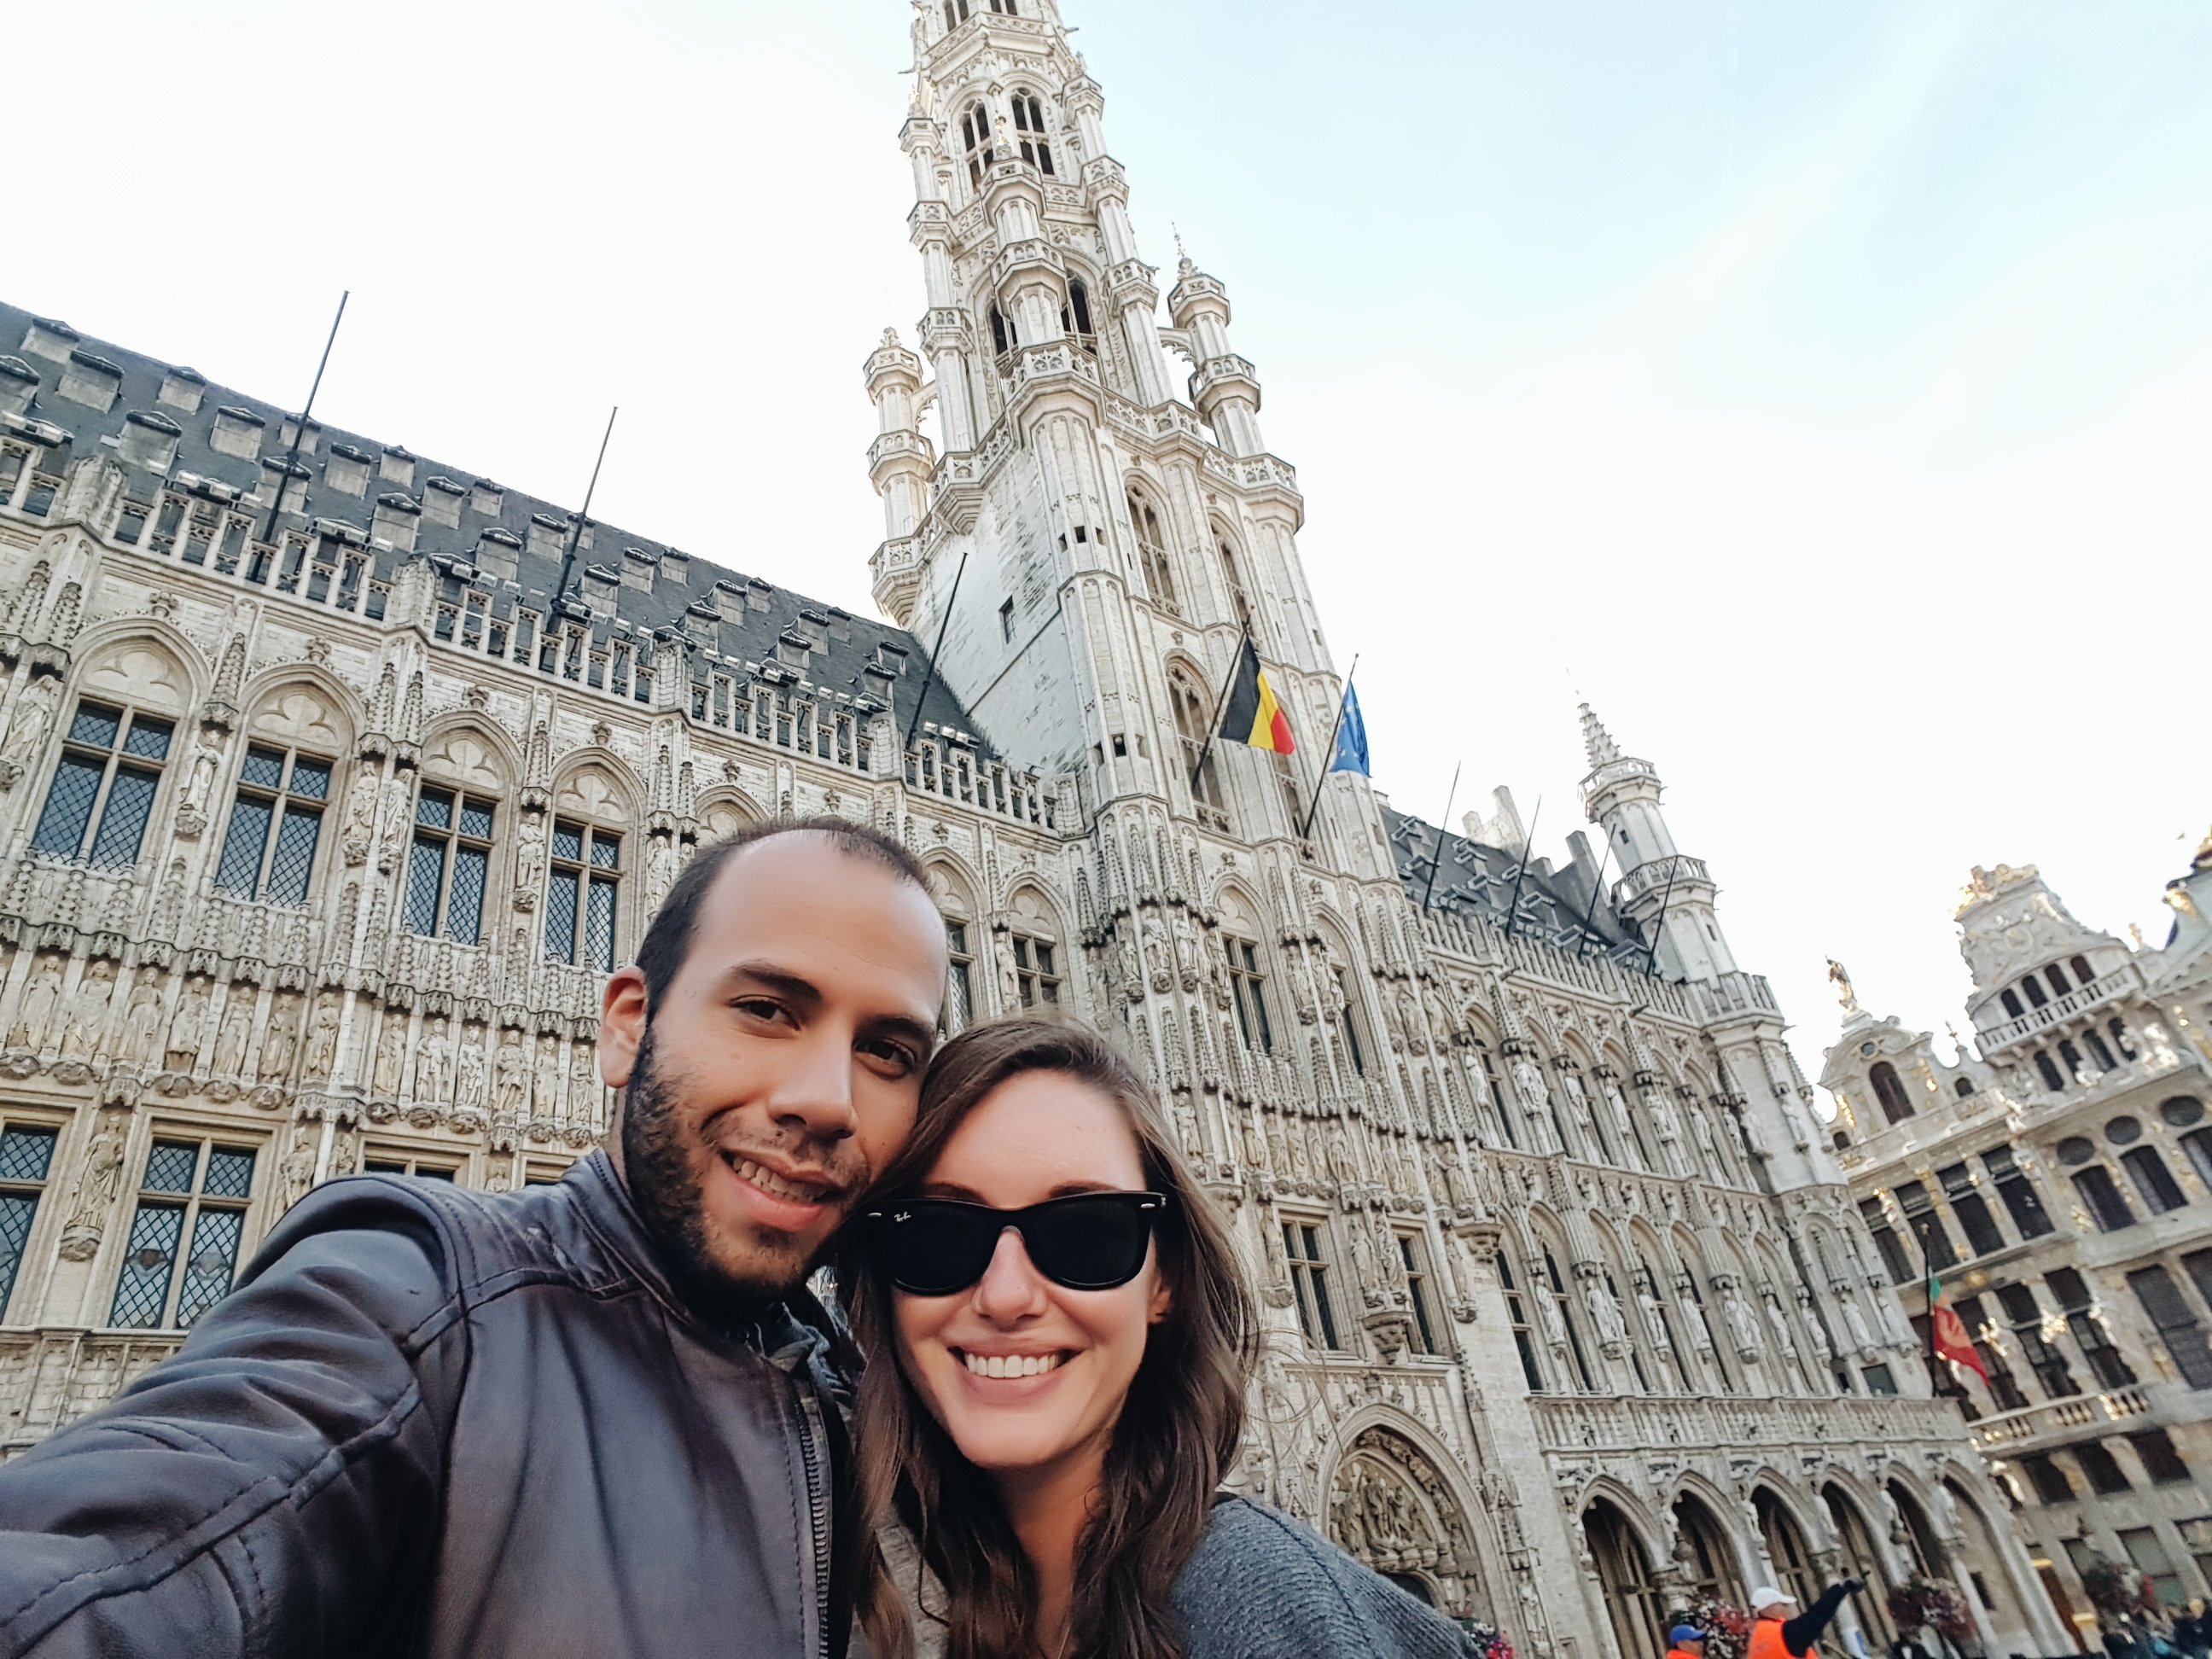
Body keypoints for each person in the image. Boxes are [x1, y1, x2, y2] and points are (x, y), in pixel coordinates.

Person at [0, 819, 950, 1659]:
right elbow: (128, 1567)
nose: (827, 1099)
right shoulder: (418, 1301)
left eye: (890, 1052)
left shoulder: (867, 1402)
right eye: (767, 1008)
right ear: (629, 1025)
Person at [838, 1016, 1478, 1659]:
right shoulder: (891, 1589)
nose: (1006, 1296)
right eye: (941, 1236)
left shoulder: (1259, 1610)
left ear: (1164, 1280)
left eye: (1086, 1234)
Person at [1750, 1581, 1865, 1659]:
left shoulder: (1758, 1636)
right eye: (1784, 1604)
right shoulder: (1785, 1633)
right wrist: (1840, 1589)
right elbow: (1817, 1616)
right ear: (1770, 1608)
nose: (1789, 1608)